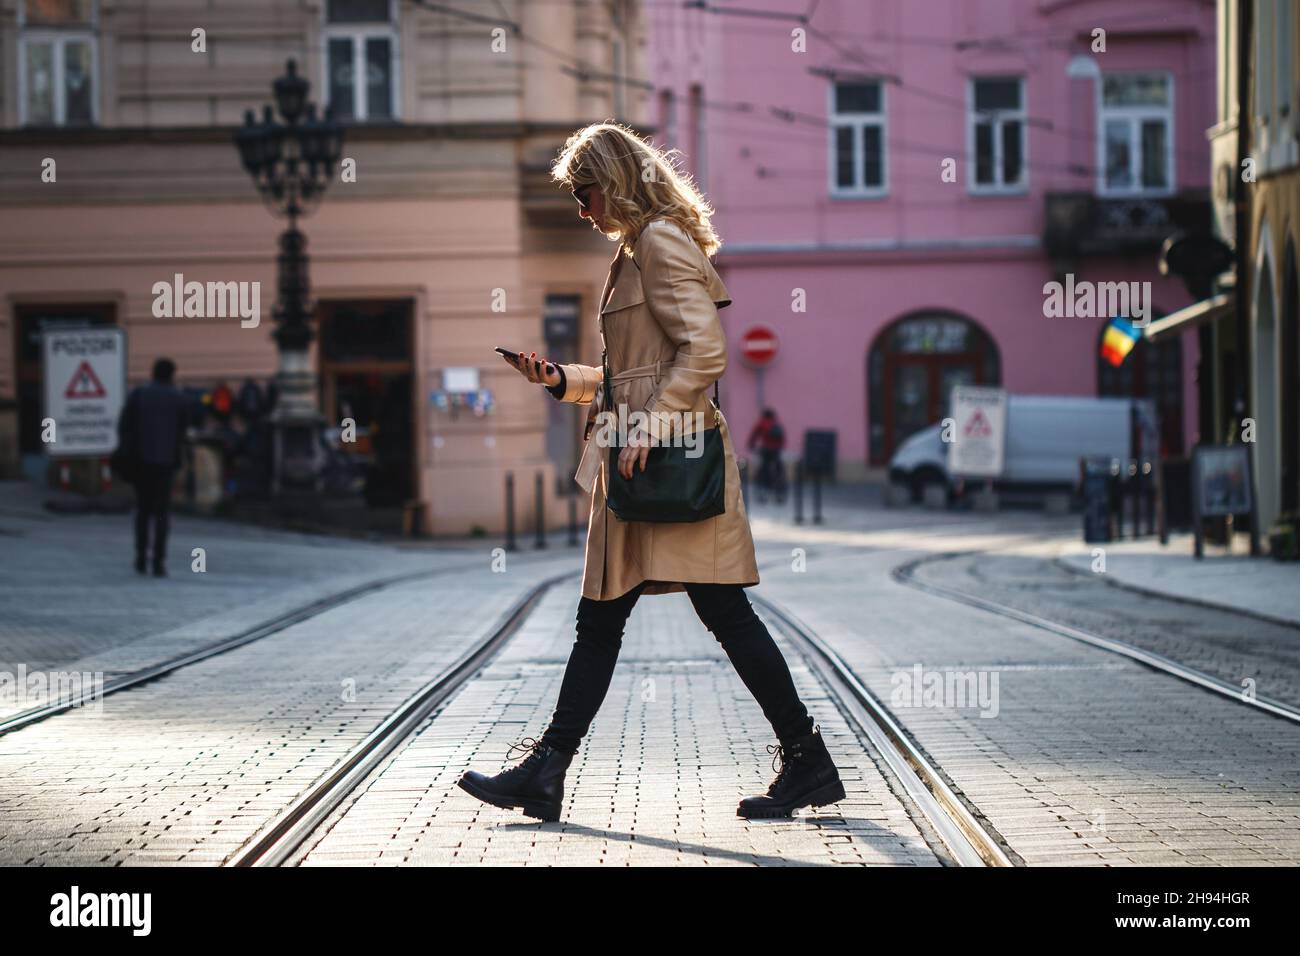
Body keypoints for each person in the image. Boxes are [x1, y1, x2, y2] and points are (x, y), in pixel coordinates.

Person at [458, 123, 844, 822]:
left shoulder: (660, 243)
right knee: (612, 621)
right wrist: (564, 380)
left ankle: (803, 756)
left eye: (585, 192)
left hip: (669, 462)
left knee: (692, 617)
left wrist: (648, 426)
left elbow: (704, 354)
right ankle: (551, 768)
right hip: (640, 462)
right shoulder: (638, 249)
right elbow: (633, 372)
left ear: (616, 180)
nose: (582, 209)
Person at [116, 358, 188, 576]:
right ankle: (158, 561)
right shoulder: (178, 398)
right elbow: (182, 431)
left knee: (143, 511)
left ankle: (140, 557)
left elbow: (123, 426)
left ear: (153, 373)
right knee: (161, 514)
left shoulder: (139, 395)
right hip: (165, 463)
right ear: (171, 375)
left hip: (141, 462)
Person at [747, 408, 787, 504]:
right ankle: (779, 492)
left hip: (766, 450)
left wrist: (751, 445)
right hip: (776, 451)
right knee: (778, 471)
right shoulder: (775, 423)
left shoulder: (762, 422)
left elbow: (754, 434)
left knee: (764, 470)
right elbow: (782, 438)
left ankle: (763, 491)